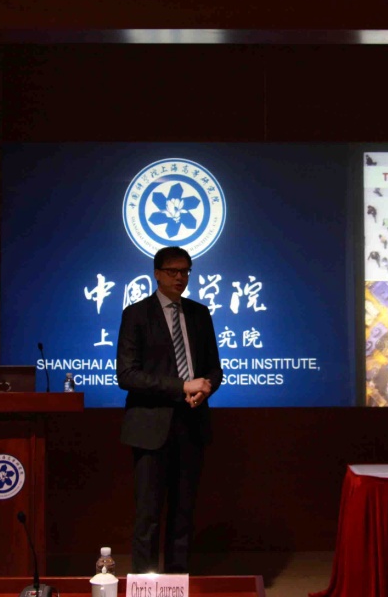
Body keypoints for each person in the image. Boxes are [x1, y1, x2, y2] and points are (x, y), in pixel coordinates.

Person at [116, 246, 223, 574]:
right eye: (173, 271)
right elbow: (127, 375)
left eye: (185, 271)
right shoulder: (136, 314)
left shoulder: (199, 313)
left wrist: (205, 387)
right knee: (148, 515)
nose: (180, 277)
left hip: (192, 424)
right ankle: (145, 586)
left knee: (183, 514)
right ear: (157, 274)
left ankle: (178, 582)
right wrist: (182, 386)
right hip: (150, 427)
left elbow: (214, 368)